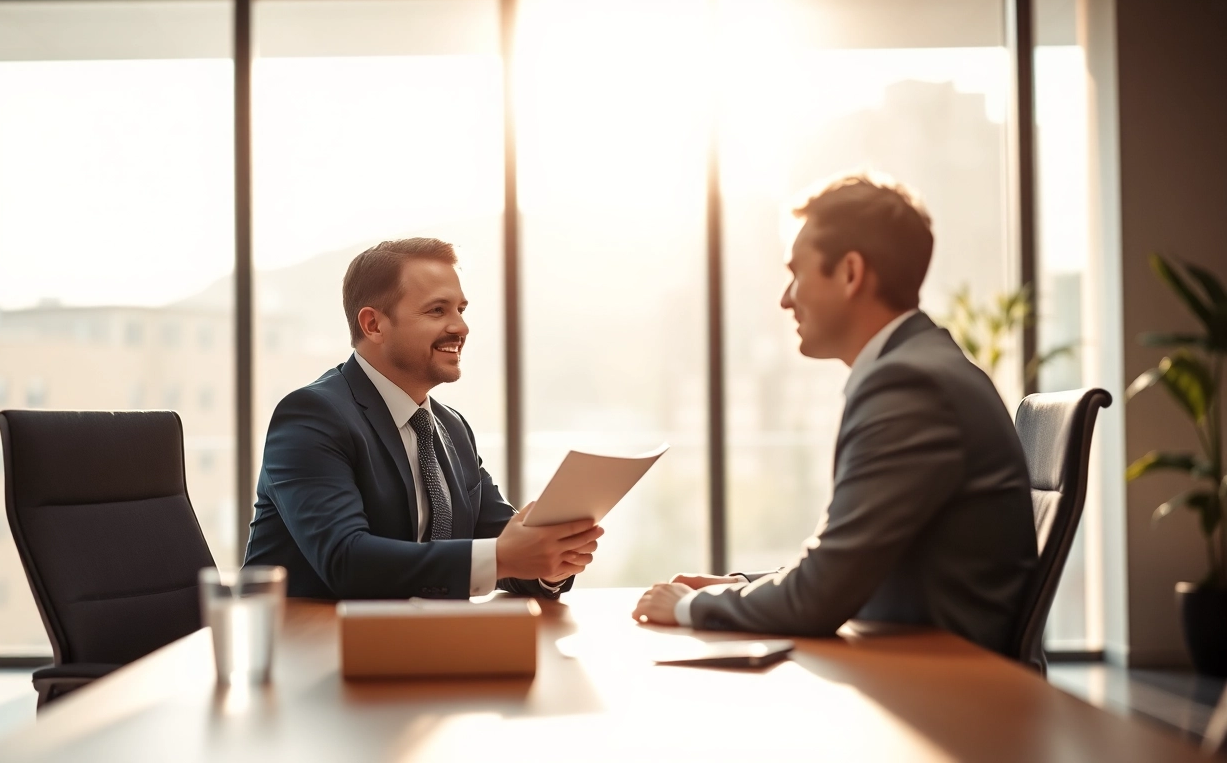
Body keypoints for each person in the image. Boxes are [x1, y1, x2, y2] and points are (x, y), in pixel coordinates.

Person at [632, 173, 1039, 665]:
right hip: (923, 666)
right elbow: (846, 565)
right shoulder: (920, 367)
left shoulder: (909, 386)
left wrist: (692, 607)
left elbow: (820, 597)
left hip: (943, 691)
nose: (786, 298)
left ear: (850, 273)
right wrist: (740, 587)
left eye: (796, 273)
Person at [245, 237, 602, 599]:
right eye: (437, 311)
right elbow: (346, 561)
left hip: (421, 641)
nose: (460, 327)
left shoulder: (451, 428)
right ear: (373, 325)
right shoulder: (312, 416)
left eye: (461, 309)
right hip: (310, 644)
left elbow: (503, 551)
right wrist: (501, 556)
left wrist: (548, 560)